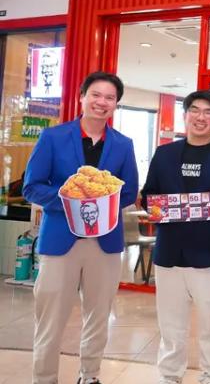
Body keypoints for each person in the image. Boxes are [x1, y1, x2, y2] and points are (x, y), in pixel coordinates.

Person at [23, 71, 139, 384]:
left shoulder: (123, 144)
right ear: (82, 97)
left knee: (99, 315)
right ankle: (44, 378)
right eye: (96, 95)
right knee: (50, 317)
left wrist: (103, 201)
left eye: (110, 98)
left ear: (116, 104)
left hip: (105, 242)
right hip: (61, 240)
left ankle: (90, 376)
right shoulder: (53, 137)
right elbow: (32, 187)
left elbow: (129, 191)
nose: (102, 102)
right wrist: (73, 199)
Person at [141, 90, 210, 384]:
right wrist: (161, 206)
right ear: (185, 115)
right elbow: (149, 195)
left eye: (208, 112)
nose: (201, 117)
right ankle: (169, 375)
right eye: (195, 110)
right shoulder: (164, 154)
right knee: (170, 323)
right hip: (169, 253)